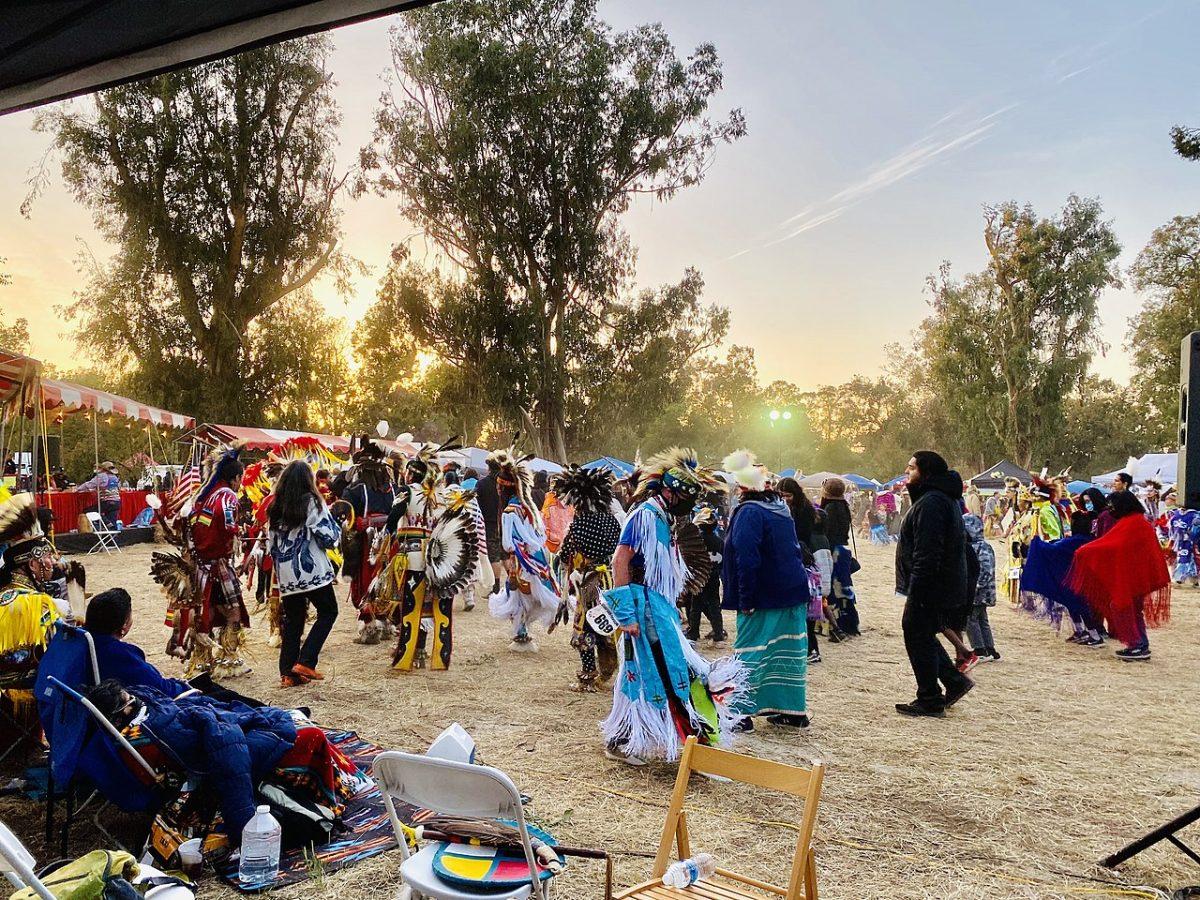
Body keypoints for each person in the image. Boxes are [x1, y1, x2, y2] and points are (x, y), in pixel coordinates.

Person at [601, 447, 744, 766]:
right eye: (684, 496)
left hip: (658, 605)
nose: (688, 503)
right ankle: (639, 737)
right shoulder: (644, 514)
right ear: (668, 490)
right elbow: (619, 560)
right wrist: (625, 614)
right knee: (659, 671)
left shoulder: (666, 516)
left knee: (659, 669)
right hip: (642, 604)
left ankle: (633, 736)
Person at [721, 451, 810, 731]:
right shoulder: (780, 509)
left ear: (743, 488)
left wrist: (746, 598)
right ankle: (792, 710)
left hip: (763, 596)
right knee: (788, 649)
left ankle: (739, 713)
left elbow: (747, 559)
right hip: (792, 590)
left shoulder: (749, 512)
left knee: (750, 652)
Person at [894, 451, 974, 718]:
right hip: (940, 582)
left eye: (912, 468)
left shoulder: (933, 502)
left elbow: (928, 551)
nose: (907, 472)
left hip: (933, 583)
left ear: (926, 472)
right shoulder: (937, 498)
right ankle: (953, 681)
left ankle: (929, 697)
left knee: (915, 630)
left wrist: (919, 587)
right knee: (922, 631)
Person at [83, 588, 262, 705]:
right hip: (164, 705)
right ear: (123, 625)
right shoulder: (119, 655)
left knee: (206, 681)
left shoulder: (85, 643)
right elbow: (159, 689)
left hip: (141, 696)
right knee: (228, 699)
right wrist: (186, 688)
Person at [1069, 490, 1170, 661]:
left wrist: (1085, 551)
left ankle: (1137, 645)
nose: (1111, 509)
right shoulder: (1136, 521)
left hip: (1134, 576)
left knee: (1124, 608)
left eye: (1113, 506)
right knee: (1132, 610)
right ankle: (1139, 645)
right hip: (1137, 574)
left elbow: (1111, 544)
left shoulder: (1133, 523)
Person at [268, 461, 341, 687]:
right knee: (329, 611)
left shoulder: (276, 506)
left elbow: (271, 544)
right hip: (311, 571)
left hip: (287, 572)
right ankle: (306, 660)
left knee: (294, 621)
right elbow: (329, 537)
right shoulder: (311, 503)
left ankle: (288, 673)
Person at [554, 465, 622, 691]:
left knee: (586, 629)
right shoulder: (612, 522)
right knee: (609, 623)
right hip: (610, 581)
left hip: (588, 582)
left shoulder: (579, 525)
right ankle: (609, 669)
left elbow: (565, 555)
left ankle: (588, 678)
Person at [487, 447, 561, 652]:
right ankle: (523, 631)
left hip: (521, 559)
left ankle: (521, 634)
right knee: (527, 595)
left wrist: (515, 554)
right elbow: (538, 535)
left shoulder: (510, 511)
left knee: (518, 596)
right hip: (535, 557)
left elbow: (509, 543)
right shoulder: (527, 507)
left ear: (503, 488)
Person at [187, 447, 252, 678]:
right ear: (235, 478)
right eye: (240, 479)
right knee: (233, 610)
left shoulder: (203, 495)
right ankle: (228, 660)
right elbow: (226, 523)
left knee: (208, 610)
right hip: (218, 564)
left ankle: (203, 662)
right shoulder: (227, 496)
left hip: (202, 564)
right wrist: (237, 532)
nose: (240, 484)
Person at [686, 504, 726, 645]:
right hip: (713, 577)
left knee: (696, 606)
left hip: (698, 578)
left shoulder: (697, 541)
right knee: (715, 606)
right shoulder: (719, 542)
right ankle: (718, 633)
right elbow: (722, 561)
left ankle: (693, 632)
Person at [962, 514, 999, 663]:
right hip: (983, 591)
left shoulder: (979, 547)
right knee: (982, 619)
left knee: (971, 619)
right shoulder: (981, 546)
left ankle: (980, 649)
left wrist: (976, 586)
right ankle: (989, 648)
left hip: (978, 591)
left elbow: (986, 569)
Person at [74, 461, 122, 527]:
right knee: (112, 522)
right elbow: (118, 488)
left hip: (107, 501)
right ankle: (110, 530)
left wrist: (77, 489)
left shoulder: (102, 476)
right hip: (117, 501)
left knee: (87, 511)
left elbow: (89, 485)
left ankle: (106, 522)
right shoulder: (115, 477)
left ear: (103, 469)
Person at [776, 476, 816, 549]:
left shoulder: (805, 510)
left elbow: (804, 535)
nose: (784, 499)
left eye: (788, 496)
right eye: (781, 496)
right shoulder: (775, 508)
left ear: (796, 495)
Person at [820, 478, 852, 550]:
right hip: (840, 544)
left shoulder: (831, 507)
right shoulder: (843, 505)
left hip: (832, 546)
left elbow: (828, 529)